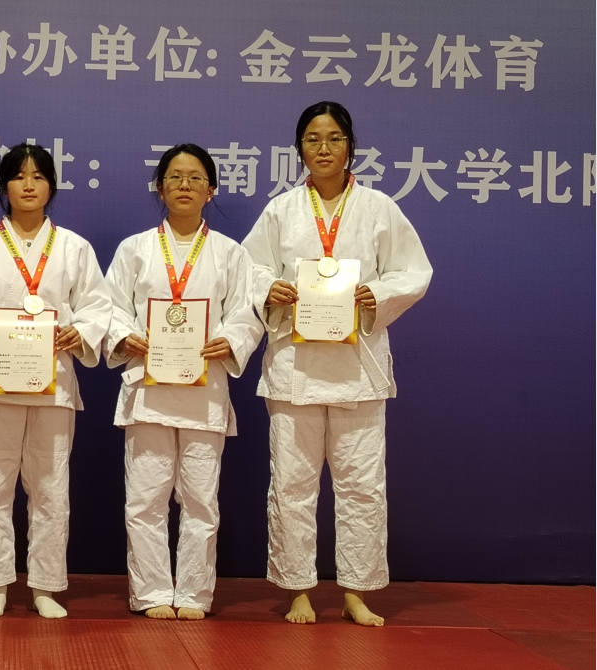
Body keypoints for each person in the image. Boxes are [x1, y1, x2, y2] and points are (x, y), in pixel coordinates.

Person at [241, 101, 432, 627]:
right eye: (312, 139)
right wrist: (270, 288)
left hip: (357, 367)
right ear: (298, 148)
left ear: (350, 146)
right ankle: (298, 590)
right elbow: (248, 268)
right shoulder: (281, 210)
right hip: (295, 365)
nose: (323, 148)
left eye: (334, 138)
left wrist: (378, 293)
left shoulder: (378, 207)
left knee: (362, 485)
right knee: (291, 484)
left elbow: (413, 271)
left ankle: (356, 591)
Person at [0, 143, 111, 619]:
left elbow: (97, 306)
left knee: (51, 485)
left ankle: (45, 587)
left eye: (39, 176)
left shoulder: (74, 247)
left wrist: (82, 332)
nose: (29, 185)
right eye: (18, 176)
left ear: (52, 185)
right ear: (4, 186)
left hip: (52, 380)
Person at [104, 144, 262, 620]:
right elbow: (110, 306)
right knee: (145, 498)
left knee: (200, 500)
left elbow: (247, 313)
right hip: (148, 388)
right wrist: (125, 336)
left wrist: (229, 340)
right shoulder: (134, 249)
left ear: (211, 190)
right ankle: (152, 592)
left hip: (203, 388)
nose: (185, 185)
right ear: (160, 188)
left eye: (195, 178)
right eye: (174, 177)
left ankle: (193, 593)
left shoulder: (231, 253)